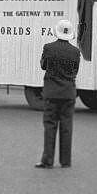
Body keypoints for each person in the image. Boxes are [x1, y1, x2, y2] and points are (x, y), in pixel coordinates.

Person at [35, 19, 81, 169]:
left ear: (57, 32)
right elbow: (75, 71)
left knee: (50, 126)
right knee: (67, 127)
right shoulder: (75, 52)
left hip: (51, 93)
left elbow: (43, 66)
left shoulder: (48, 48)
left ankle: (47, 160)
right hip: (68, 93)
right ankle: (65, 161)